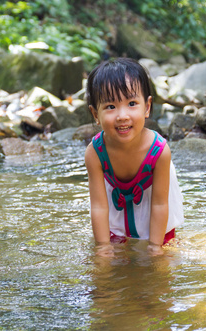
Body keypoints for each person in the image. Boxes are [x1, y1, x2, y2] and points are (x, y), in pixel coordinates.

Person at [84, 58, 184, 256]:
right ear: (95, 114)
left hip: (154, 211)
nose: (122, 115)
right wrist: (103, 246)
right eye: (110, 107)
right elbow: (98, 207)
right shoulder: (95, 153)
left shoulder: (159, 151)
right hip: (116, 215)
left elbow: (160, 204)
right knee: (109, 267)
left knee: (163, 261)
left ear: (147, 107)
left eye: (131, 103)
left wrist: (155, 247)